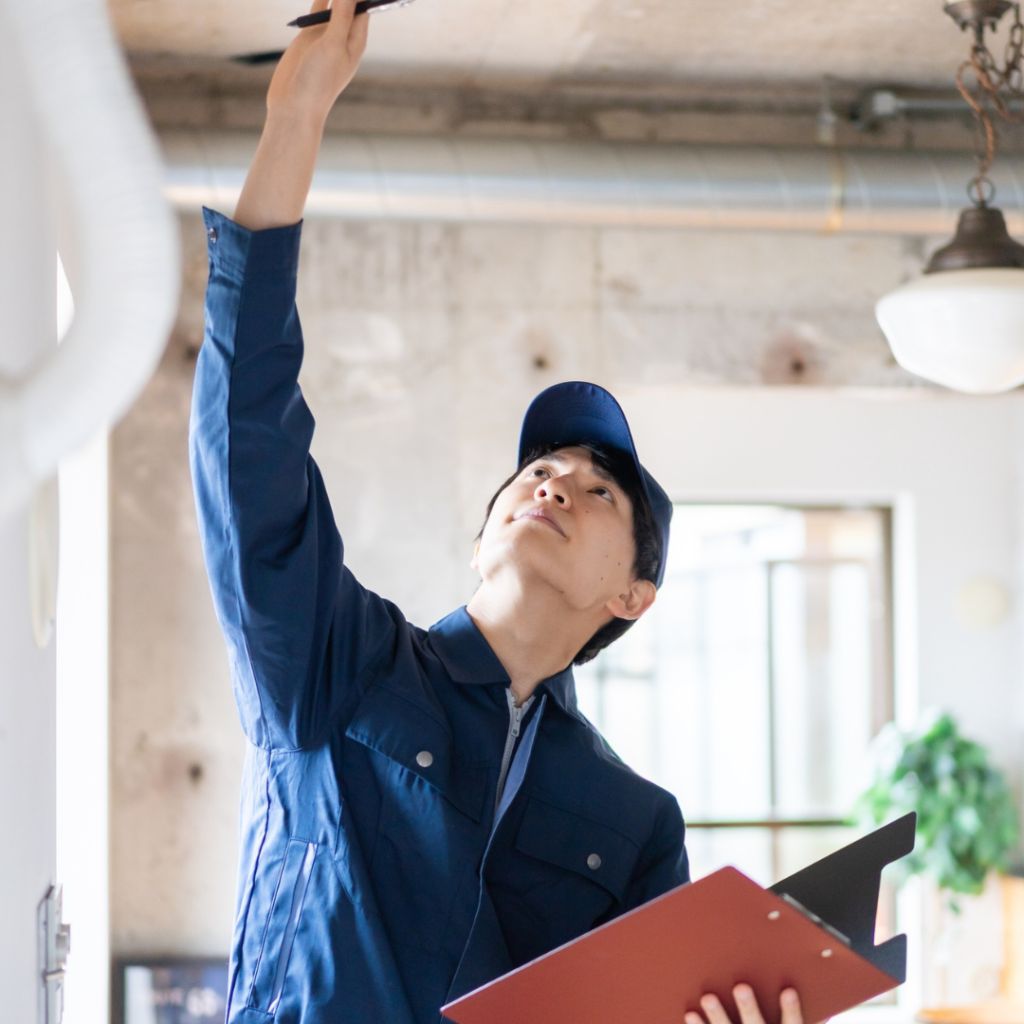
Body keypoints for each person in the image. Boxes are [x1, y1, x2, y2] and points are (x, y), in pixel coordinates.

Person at [189, 3, 807, 1023]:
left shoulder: (634, 821)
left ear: (633, 594)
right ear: (482, 543)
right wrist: (294, 119)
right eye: (536, 474)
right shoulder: (341, 661)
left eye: (597, 489)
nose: (553, 481)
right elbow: (243, 443)